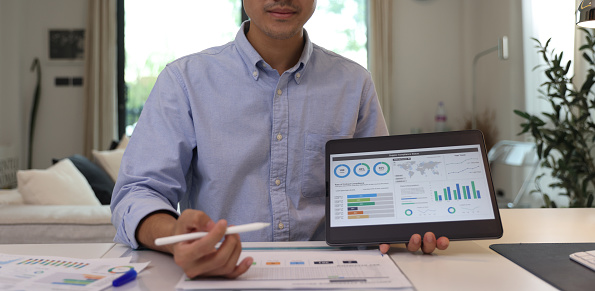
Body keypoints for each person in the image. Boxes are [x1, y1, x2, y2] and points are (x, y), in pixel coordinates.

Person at [111, 0, 449, 279]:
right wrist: (175, 238)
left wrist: (406, 227)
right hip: (220, 277)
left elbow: (379, 199)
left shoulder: (354, 82)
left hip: (336, 276)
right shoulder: (184, 81)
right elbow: (137, 193)